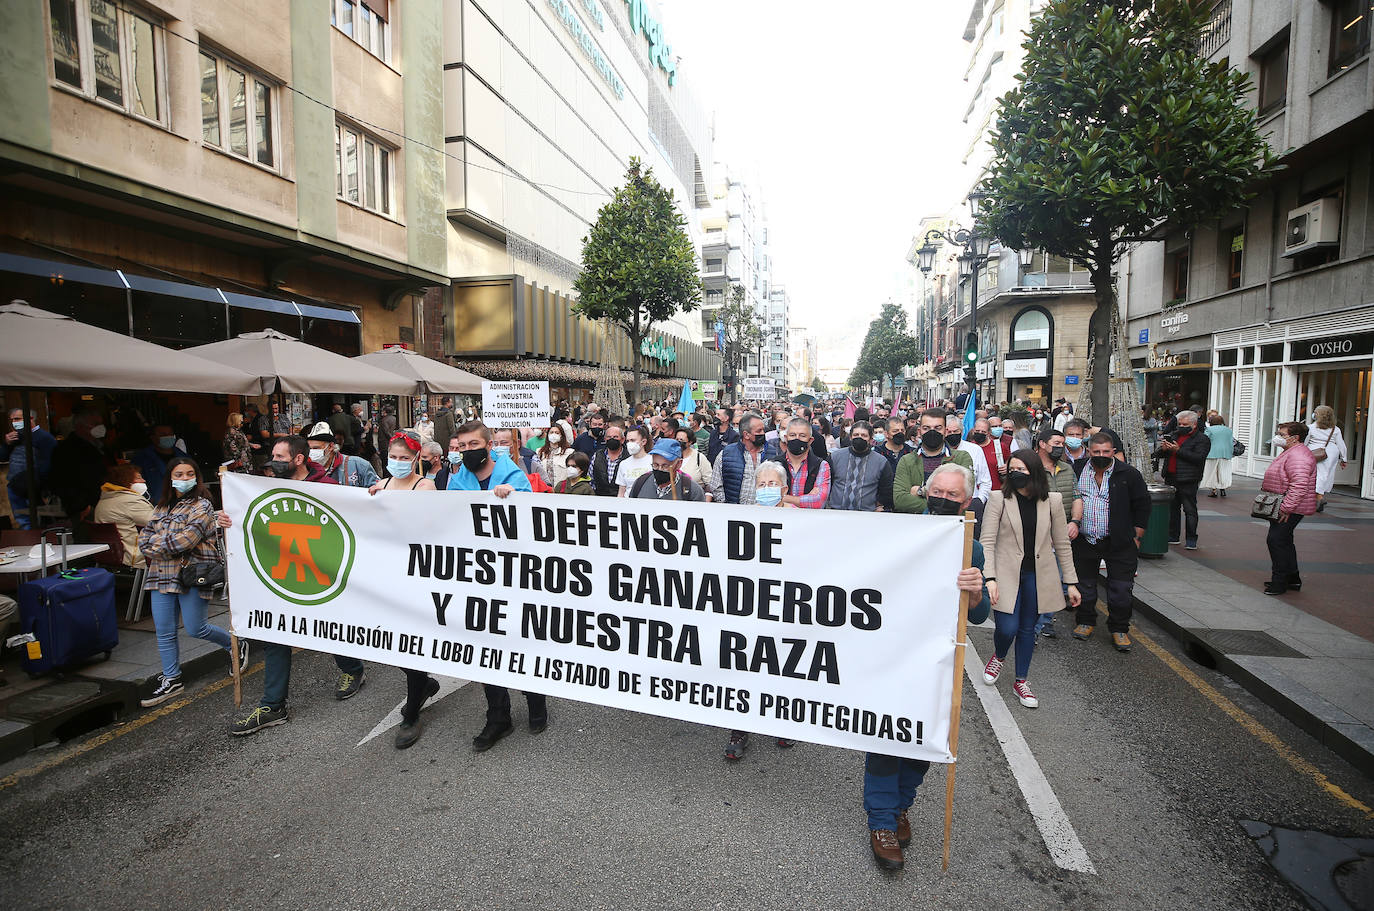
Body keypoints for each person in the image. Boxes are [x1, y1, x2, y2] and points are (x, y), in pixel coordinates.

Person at [865, 463, 990, 870]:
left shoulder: (970, 544)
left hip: (938, 659)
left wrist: (974, 591)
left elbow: (978, 611)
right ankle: (881, 823)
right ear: (925, 492)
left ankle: (902, 806)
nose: (944, 500)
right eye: (939, 492)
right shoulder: (898, 533)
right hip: (894, 652)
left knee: (922, 739)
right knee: (886, 736)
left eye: (953, 496)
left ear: (966, 501)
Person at [229, 436, 345, 736]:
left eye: (280, 455)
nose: (274, 460)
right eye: (273, 455)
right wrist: (229, 519)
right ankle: (273, 705)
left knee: (332, 629)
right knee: (275, 634)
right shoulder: (264, 487)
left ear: (298, 459)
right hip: (282, 574)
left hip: (320, 574)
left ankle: (352, 670)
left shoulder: (328, 488)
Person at [446, 420, 544, 750]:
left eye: (475, 445)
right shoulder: (457, 480)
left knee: (521, 639)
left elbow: (537, 517)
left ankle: (535, 699)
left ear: (489, 445)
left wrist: (514, 497)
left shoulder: (512, 474)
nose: (468, 451)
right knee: (486, 646)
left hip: (515, 574)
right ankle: (497, 716)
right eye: (463, 447)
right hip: (478, 574)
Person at [138, 456, 248, 707]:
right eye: (179, 474)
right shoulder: (161, 506)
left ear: (196, 477)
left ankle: (236, 645)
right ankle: (172, 678)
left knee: (196, 628)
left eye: (189, 474)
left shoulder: (203, 506)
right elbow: (143, 540)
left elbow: (184, 541)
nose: (185, 478)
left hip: (193, 574)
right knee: (164, 631)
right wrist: (163, 543)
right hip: (161, 574)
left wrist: (159, 543)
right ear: (170, 478)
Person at [978, 454, 1081, 709]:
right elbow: (987, 542)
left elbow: (1062, 544)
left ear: (1033, 471)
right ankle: (999, 656)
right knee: (1007, 628)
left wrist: (1071, 582)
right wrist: (989, 577)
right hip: (1005, 574)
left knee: (1027, 629)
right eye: (1011, 469)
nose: (1014, 473)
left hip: (1038, 575)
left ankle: (1021, 681)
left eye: (1020, 469)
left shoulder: (1053, 501)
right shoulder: (998, 499)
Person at [365, 433, 444, 749]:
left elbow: (421, 522)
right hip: (383, 575)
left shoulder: (423, 487)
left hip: (414, 575)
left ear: (416, 459)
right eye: (392, 456)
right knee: (383, 640)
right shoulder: (380, 486)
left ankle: (412, 711)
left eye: (403, 457)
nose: (396, 462)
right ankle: (423, 684)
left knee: (409, 644)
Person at [1069, 433, 1151, 651]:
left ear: (1113, 452)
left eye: (1106, 452)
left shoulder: (1129, 474)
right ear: (1089, 451)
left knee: (1121, 589)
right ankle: (1085, 621)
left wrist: (1137, 537)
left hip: (1120, 542)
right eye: (1096, 452)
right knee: (1085, 585)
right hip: (1085, 540)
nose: (1101, 456)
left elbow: (1142, 506)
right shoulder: (1076, 470)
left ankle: (1119, 629)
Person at [1031, 428, 1084, 640]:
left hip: (1062, 535)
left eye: (1062, 443)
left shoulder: (1067, 469)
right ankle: (1031, 627)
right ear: (1042, 444)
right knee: (1035, 582)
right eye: (1056, 443)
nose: (1060, 447)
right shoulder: (1029, 468)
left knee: (1055, 580)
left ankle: (1045, 622)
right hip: (1037, 536)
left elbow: (1077, 497)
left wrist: (1075, 522)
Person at [1261, 422, 1318, 595]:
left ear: (1295, 438)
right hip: (1287, 504)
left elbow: (1299, 485)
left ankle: (1279, 581)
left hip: (1289, 506)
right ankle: (1292, 578)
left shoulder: (1299, 456)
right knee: (1284, 540)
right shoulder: (1292, 452)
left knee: (1276, 540)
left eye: (1282, 435)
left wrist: (1286, 508)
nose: (1278, 437)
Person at [893, 409, 975, 514]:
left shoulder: (961, 458)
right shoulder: (906, 461)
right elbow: (900, 500)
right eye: (926, 428)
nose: (932, 432)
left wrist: (921, 491)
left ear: (945, 431)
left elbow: (965, 497)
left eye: (938, 428)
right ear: (919, 431)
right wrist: (944, 504)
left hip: (952, 525)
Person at [1153, 409, 1208, 550]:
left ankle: (1191, 539)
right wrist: (1164, 449)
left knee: (1189, 509)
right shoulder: (1174, 435)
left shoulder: (1202, 439)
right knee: (1173, 508)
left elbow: (1198, 458)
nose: (1181, 427)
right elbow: (1159, 454)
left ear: (1194, 425)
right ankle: (1173, 536)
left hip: (1188, 478)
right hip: (1171, 476)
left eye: (1185, 424)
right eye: (1180, 424)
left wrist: (1178, 450)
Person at [50, 405, 112, 521]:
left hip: (106, 503)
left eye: (101, 424)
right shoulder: (66, 450)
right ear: (80, 426)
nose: (100, 428)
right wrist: (81, 506)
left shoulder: (102, 446)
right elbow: (63, 481)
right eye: (95, 424)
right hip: (85, 508)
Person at [709, 413, 780, 505]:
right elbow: (716, 485)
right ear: (746, 435)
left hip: (764, 512)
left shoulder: (772, 453)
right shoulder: (726, 454)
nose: (763, 433)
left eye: (763, 430)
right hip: (734, 512)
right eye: (759, 431)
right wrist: (728, 505)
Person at [3, 407, 57, 528]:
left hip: (31, 487)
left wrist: (39, 486)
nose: (14, 423)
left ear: (30, 418)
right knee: (22, 520)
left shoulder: (44, 438)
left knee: (35, 521)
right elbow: (3, 456)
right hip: (14, 486)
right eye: (12, 420)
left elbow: (49, 465)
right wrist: (6, 444)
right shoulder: (16, 437)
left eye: (17, 419)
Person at [93, 464, 154, 567]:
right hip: (136, 556)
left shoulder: (104, 500)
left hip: (112, 556)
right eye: (139, 478)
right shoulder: (131, 501)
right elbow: (160, 523)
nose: (143, 481)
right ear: (125, 480)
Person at [826, 421, 893, 512]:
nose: (859, 438)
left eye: (864, 435)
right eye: (856, 435)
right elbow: (826, 485)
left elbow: (886, 491)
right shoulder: (835, 457)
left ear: (870, 439)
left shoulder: (881, 462)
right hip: (836, 512)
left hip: (867, 515)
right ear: (850, 437)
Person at [774, 417, 831, 508]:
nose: (797, 439)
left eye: (802, 436)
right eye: (792, 435)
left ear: (810, 440)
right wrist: (806, 499)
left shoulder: (821, 465)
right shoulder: (773, 464)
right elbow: (768, 499)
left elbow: (818, 502)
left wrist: (783, 498)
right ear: (786, 438)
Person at [306, 422, 379, 488]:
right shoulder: (305, 468)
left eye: (316, 448)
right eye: (310, 448)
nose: (312, 452)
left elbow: (378, 491)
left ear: (331, 446)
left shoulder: (358, 465)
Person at [628, 439, 705, 501]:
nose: (660, 469)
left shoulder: (692, 490)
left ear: (679, 464)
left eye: (665, 466)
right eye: (655, 465)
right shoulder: (640, 483)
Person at [1306, 405, 1348, 513]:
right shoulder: (1335, 429)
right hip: (1331, 453)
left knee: (1317, 474)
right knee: (1326, 474)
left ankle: (1319, 497)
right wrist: (1344, 459)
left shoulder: (1311, 427)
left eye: (1315, 412)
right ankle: (1319, 495)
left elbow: (1306, 441)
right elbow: (1341, 444)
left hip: (1314, 452)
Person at [946, 414, 992, 504]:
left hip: (970, 504)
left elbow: (985, 481)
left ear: (962, 432)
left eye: (955, 431)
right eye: (949, 432)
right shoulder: (938, 451)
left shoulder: (975, 450)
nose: (952, 434)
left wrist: (979, 501)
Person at [130, 424, 183, 499]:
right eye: (163, 434)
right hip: (154, 505)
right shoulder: (141, 459)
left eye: (170, 434)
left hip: (182, 503)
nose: (168, 436)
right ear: (153, 438)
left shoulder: (183, 457)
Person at [972, 417, 1012, 493]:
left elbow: (1011, 461)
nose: (980, 433)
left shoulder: (999, 446)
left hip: (995, 491)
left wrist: (1007, 467)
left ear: (989, 432)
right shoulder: (969, 447)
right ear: (973, 430)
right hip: (975, 493)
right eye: (977, 431)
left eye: (983, 432)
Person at [673, 427, 713, 499]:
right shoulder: (671, 457)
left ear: (690, 442)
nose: (679, 442)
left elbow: (709, 482)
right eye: (677, 439)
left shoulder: (699, 458)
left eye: (681, 440)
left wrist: (706, 501)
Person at [591, 420, 628, 497]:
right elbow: (591, 479)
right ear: (605, 439)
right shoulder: (597, 455)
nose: (612, 439)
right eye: (609, 437)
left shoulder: (629, 457)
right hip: (600, 500)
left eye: (615, 437)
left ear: (622, 440)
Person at [1202, 413, 1235, 499]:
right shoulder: (1228, 430)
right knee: (1223, 471)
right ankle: (1223, 488)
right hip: (1225, 453)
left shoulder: (1209, 430)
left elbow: (1204, 441)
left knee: (1212, 472)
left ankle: (1214, 490)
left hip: (1212, 452)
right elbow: (1231, 443)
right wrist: (1231, 452)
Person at [537, 420, 577, 489]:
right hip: (545, 490)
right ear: (548, 435)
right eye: (551, 432)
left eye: (557, 433)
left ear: (561, 436)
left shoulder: (569, 452)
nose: (554, 434)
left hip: (563, 490)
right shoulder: (540, 452)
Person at [616, 426, 654, 496]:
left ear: (643, 442)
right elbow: (621, 492)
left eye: (633, 440)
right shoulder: (623, 464)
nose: (629, 444)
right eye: (628, 441)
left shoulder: (653, 461)